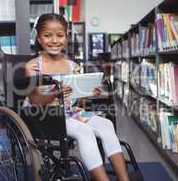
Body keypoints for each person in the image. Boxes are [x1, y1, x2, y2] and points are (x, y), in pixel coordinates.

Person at [25, 13, 130, 181]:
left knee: (106, 124)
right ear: (39, 38)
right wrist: (56, 93)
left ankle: (125, 179)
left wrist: (88, 93)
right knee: (85, 131)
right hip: (46, 115)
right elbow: (35, 101)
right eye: (47, 35)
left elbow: (78, 101)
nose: (54, 40)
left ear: (66, 38)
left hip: (71, 112)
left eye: (60, 35)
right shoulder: (32, 66)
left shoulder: (73, 66)